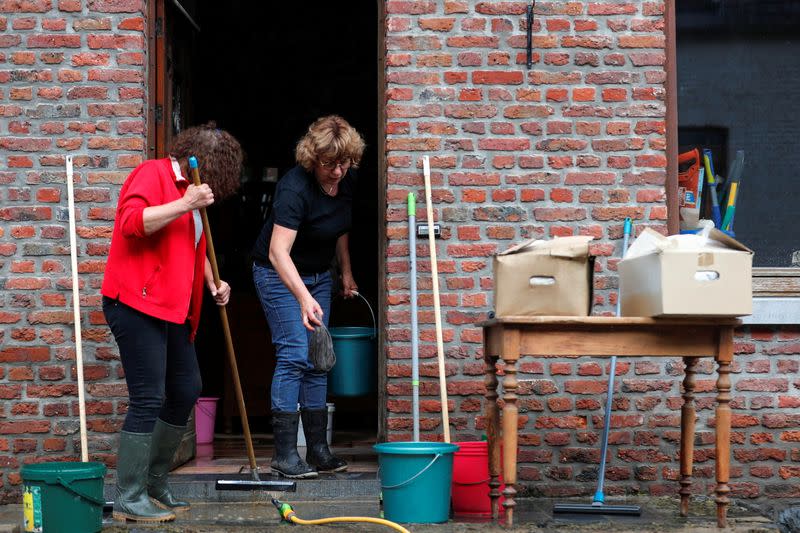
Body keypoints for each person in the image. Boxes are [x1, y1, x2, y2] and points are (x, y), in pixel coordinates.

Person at [101, 124, 243, 522]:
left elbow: (190, 251)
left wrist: (215, 281)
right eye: (214, 177)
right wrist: (185, 202)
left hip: (173, 309)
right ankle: (129, 495)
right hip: (135, 302)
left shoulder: (194, 196)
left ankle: (155, 481)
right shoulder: (153, 174)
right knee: (148, 396)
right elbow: (132, 223)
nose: (213, 187)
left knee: (186, 388)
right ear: (198, 161)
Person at [252, 115, 364, 479]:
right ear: (312, 159)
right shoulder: (293, 189)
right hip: (278, 275)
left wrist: (345, 272)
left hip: (319, 277)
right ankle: (284, 455)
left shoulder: (345, 181)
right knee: (294, 355)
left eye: (343, 163)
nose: (336, 172)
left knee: (319, 360)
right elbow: (277, 253)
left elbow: (340, 227)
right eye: (329, 164)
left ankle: (317, 450)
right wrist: (302, 297)